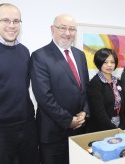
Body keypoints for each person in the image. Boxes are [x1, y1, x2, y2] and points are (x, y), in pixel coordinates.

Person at [0, 3, 39, 164]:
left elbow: (23, 86)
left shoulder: (24, 51)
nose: (11, 26)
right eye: (5, 20)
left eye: (16, 21)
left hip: (26, 126)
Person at [30, 14, 89, 164]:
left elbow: (85, 88)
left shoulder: (80, 55)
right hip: (53, 132)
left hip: (78, 130)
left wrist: (85, 111)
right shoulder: (40, 56)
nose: (67, 33)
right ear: (52, 29)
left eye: (72, 29)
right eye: (63, 28)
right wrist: (68, 120)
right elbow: (43, 96)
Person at [87, 48, 125, 132]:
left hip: (120, 127)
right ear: (99, 63)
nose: (109, 65)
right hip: (101, 130)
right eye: (105, 62)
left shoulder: (117, 81)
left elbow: (122, 107)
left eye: (112, 62)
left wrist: (122, 127)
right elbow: (99, 114)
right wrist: (114, 130)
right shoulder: (94, 84)